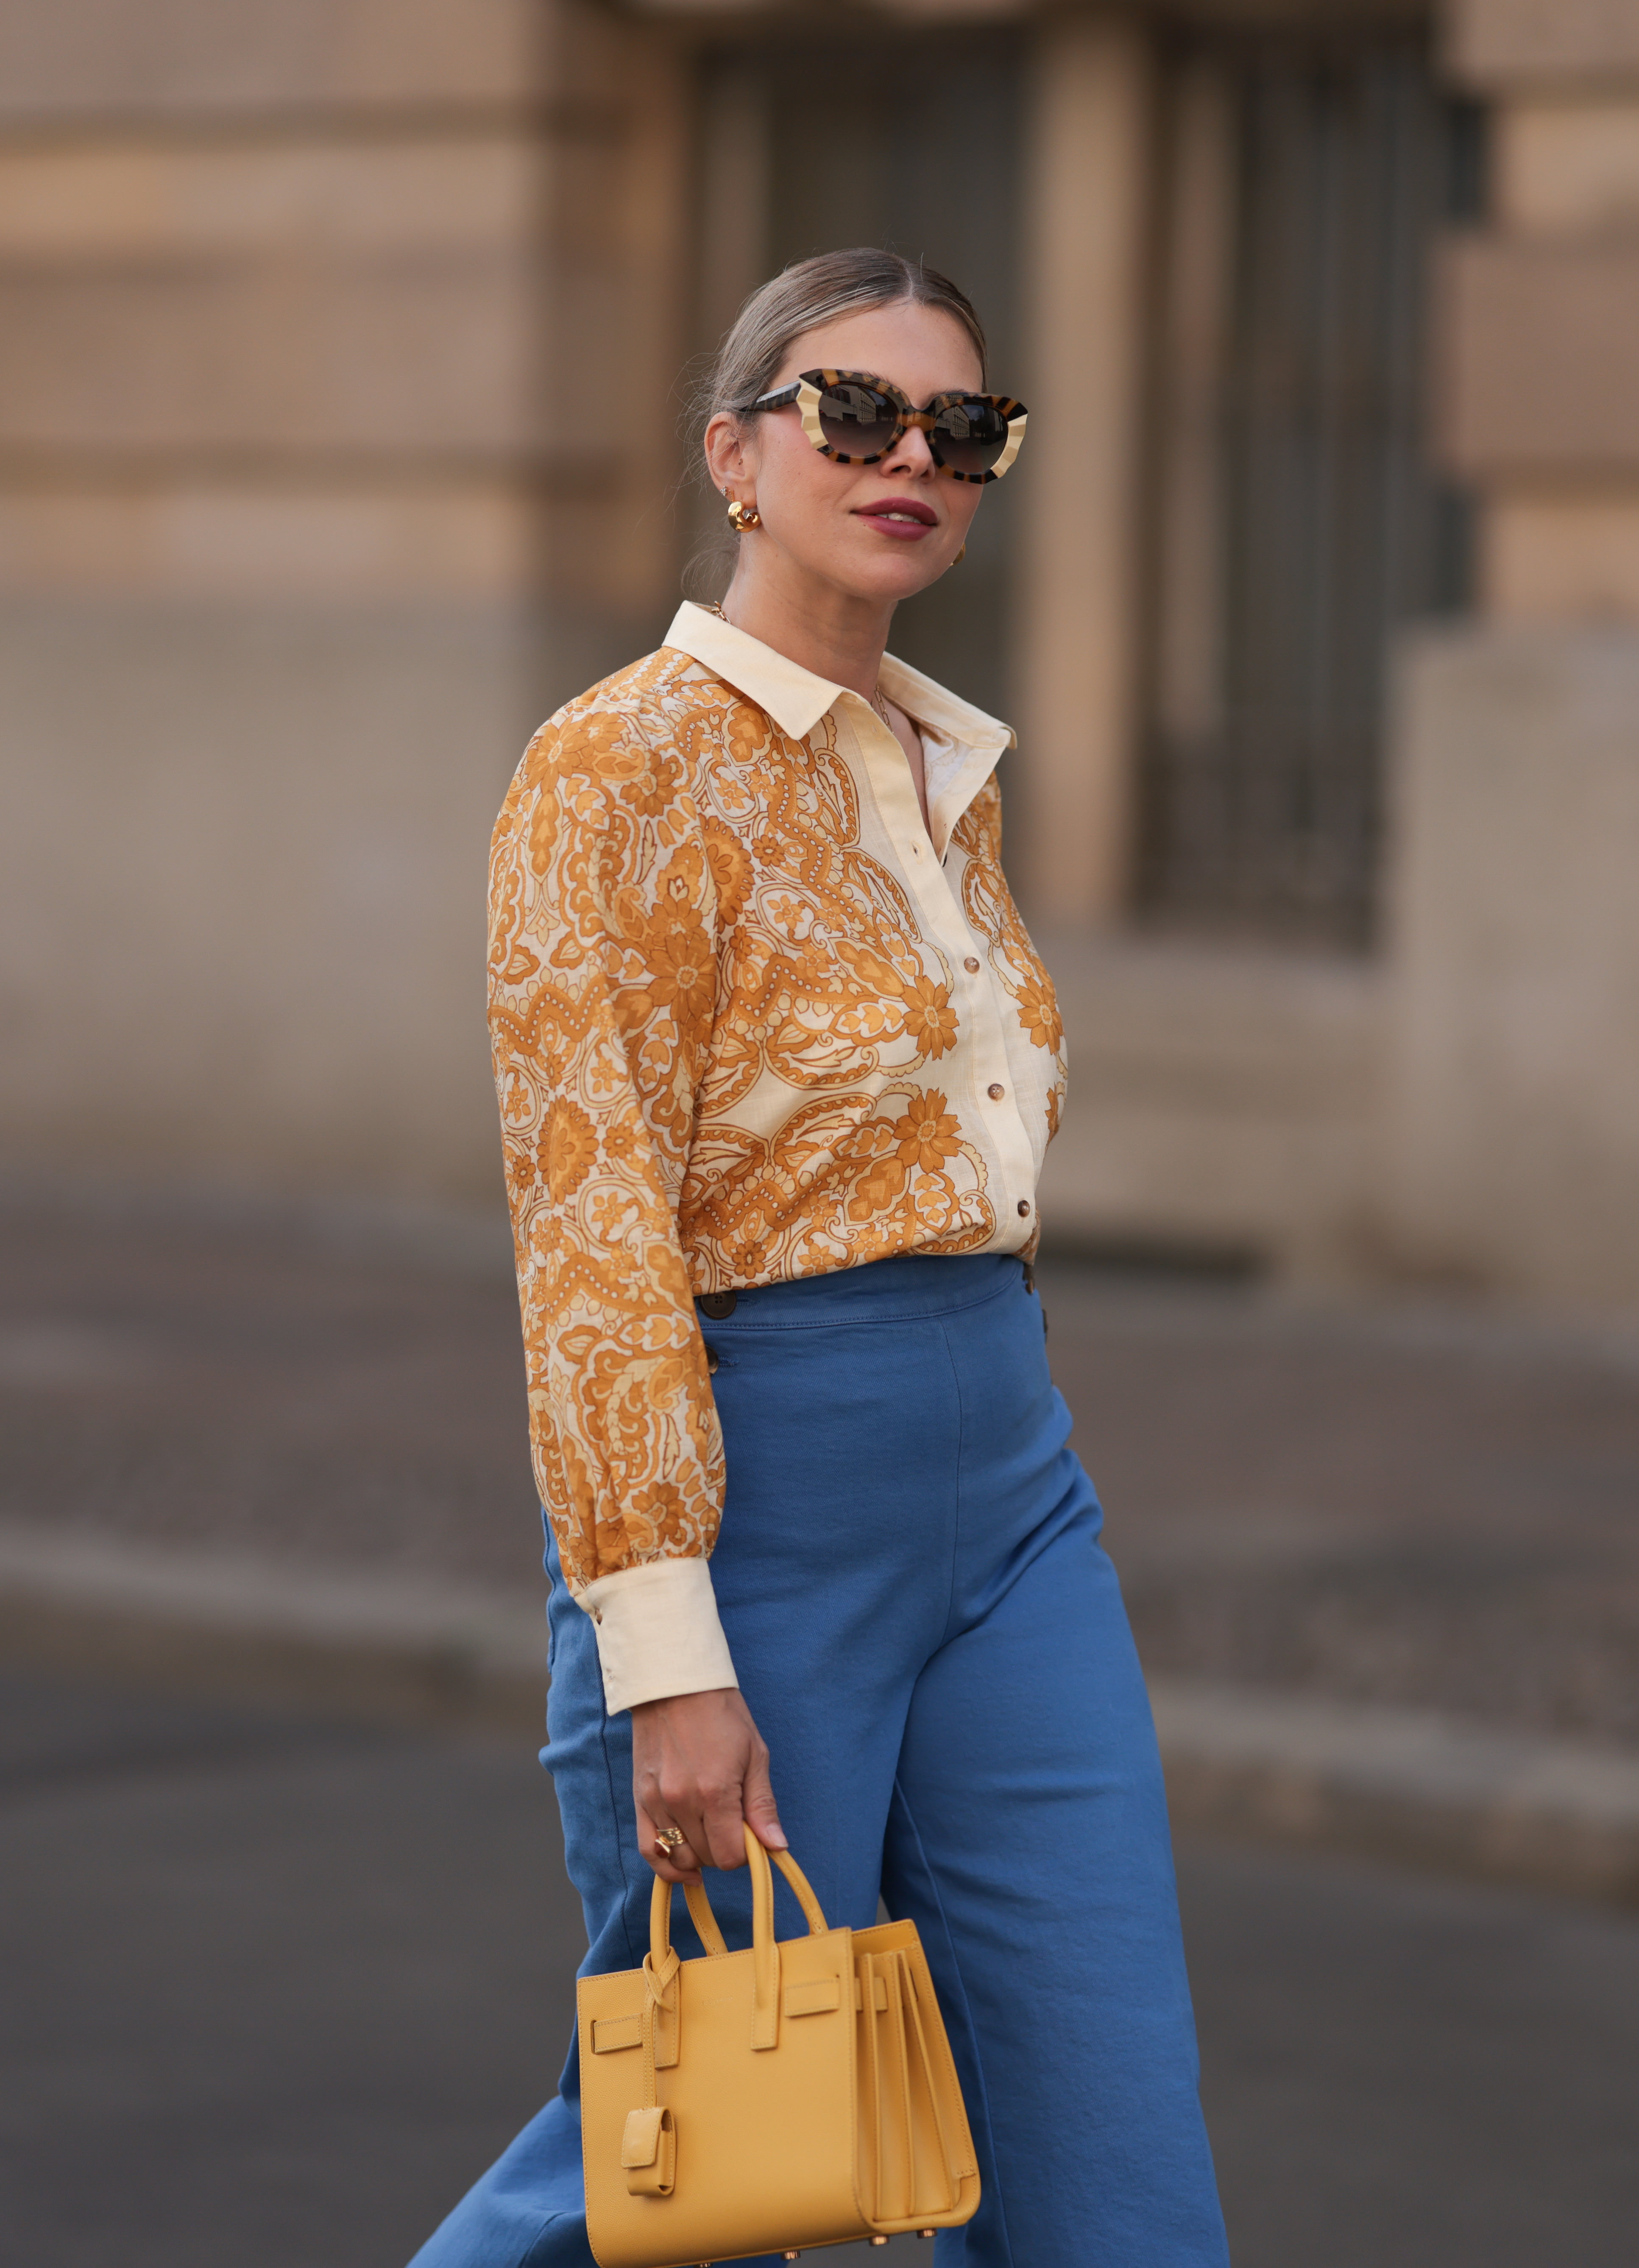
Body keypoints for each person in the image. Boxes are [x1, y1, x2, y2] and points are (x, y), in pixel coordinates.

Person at [414, 248, 1229, 2268]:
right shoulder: (612, 770)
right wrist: (666, 1653)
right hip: (758, 1511)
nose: (909, 461)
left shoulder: (942, 772)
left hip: (1014, 1500)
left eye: (960, 428)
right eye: (852, 413)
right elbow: (591, 1233)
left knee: (1102, 2108)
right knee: (706, 2151)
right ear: (735, 457)